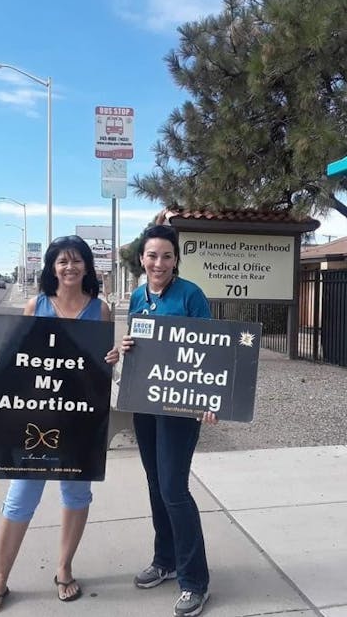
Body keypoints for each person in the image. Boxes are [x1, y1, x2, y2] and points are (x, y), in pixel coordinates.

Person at [0, 235, 119, 616]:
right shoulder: (34, 305)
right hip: (35, 419)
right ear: (51, 267)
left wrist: (113, 357)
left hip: (80, 421)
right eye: (61, 262)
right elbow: (14, 358)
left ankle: (64, 568)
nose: (69, 268)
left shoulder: (100, 311)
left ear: (87, 266)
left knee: (76, 496)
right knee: (19, 499)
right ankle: (0, 578)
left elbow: (100, 365)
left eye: (76, 261)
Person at [120, 224, 216, 617]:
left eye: (166, 256)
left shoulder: (191, 295)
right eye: (152, 255)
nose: (158, 263)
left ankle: (195, 581)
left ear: (176, 260)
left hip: (181, 407)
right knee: (157, 485)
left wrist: (210, 399)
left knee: (175, 489)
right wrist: (126, 346)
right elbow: (138, 348)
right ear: (142, 259)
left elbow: (212, 351)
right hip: (146, 403)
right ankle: (165, 559)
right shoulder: (137, 296)